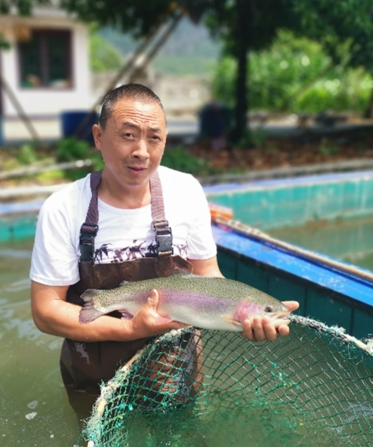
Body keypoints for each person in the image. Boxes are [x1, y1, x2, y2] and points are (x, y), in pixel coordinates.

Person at [30, 84, 299, 420]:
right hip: (93, 373)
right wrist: (130, 330)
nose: (141, 151)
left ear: (166, 141)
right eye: (128, 135)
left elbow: (207, 276)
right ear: (98, 137)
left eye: (154, 138)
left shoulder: (185, 191)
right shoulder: (63, 208)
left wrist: (251, 315)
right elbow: (45, 311)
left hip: (175, 370)